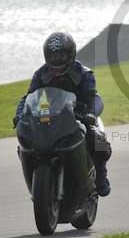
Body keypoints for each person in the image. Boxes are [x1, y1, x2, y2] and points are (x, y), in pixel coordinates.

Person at [14, 32, 112, 196]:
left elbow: (91, 96)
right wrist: (20, 116)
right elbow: (29, 97)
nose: (57, 60)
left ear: (71, 54)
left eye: (61, 55)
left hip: (80, 112)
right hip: (52, 114)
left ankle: (101, 179)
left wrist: (89, 114)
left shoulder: (83, 73)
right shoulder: (41, 74)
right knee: (26, 141)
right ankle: (35, 178)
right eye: (53, 56)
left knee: (97, 140)